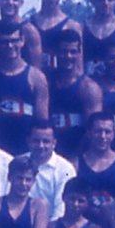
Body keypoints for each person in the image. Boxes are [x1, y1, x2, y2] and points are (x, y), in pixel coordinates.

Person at [0, 19, 52, 157]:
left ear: (22, 41)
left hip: (25, 152)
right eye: (4, 42)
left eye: (14, 41)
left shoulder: (36, 78)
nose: (10, 46)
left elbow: (42, 122)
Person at [46, 28, 101, 160]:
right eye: (64, 51)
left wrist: (76, 158)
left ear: (79, 53)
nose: (68, 56)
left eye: (73, 52)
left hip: (77, 154)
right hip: (47, 151)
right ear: (55, 52)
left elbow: (93, 130)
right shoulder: (46, 82)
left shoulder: (88, 88)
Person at [74, 111, 115, 210]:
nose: (103, 136)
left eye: (107, 132)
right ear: (89, 133)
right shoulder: (75, 164)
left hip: (114, 219)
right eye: (98, 131)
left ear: (113, 134)